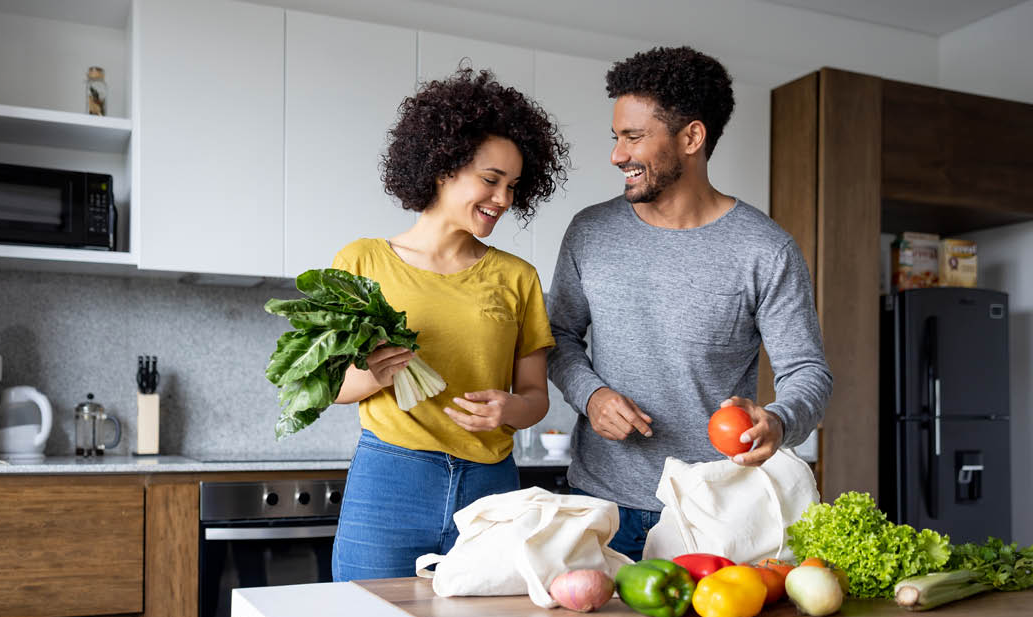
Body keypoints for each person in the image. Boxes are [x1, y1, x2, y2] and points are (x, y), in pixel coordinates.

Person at [547, 46, 832, 561]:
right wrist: (590, 395)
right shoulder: (590, 232)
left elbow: (807, 370)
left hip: (711, 512)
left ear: (691, 138)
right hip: (598, 507)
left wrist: (779, 419)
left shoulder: (765, 249)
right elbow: (557, 336)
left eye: (633, 137)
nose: (617, 155)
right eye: (617, 137)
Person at [329, 68, 569, 581]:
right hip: (390, 480)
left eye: (513, 186)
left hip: (491, 488)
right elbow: (329, 385)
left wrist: (512, 408)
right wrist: (378, 373)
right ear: (442, 167)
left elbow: (536, 396)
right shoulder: (362, 262)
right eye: (490, 180)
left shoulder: (517, 277)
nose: (503, 199)